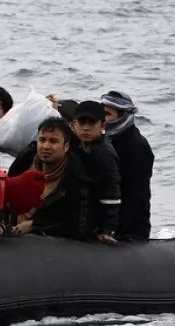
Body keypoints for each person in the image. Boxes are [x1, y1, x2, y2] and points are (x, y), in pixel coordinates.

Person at [7, 118, 96, 240]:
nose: (46, 146)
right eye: (42, 140)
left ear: (66, 147)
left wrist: (35, 225)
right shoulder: (25, 160)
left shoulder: (76, 179)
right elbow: (4, 192)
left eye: (53, 141)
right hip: (10, 231)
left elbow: (80, 229)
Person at [100, 90, 153, 240]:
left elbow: (135, 195)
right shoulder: (106, 141)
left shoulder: (137, 146)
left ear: (123, 116)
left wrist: (116, 230)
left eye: (107, 114)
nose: (103, 120)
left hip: (129, 229)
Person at [68, 100, 121, 245]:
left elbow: (112, 194)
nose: (86, 128)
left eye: (91, 123)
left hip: (94, 215)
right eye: (82, 122)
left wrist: (107, 229)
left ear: (103, 126)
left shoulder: (105, 154)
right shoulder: (74, 145)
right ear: (73, 125)